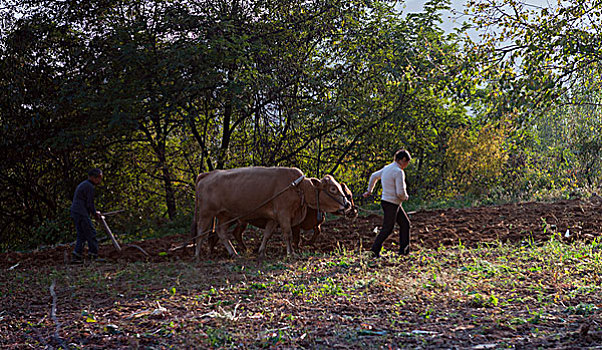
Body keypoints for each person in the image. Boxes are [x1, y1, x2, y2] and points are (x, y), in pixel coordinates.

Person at [363, 149, 411, 257]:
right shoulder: (398, 171)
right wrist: (405, 197)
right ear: (403, 160)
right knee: (387, 228)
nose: (406, 165)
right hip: (392, 203)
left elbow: (374, 176)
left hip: (388, 202)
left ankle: (404, 251)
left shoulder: (387, 168)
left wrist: (369, 191)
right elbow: (400, 192)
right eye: (407, 162)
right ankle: (374, 251)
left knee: (405, 224)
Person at [70, 168, 105, 263]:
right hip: (81, 212)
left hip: (76, 211)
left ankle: (76, 256)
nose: (100, 180)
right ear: (93, 177)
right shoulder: (89, 186)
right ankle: (93, 255)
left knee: (82, 235)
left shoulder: (84, 185)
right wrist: (95, 214)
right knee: (91, 233)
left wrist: (93, 213)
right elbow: (90, 204)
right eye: (99, 178)